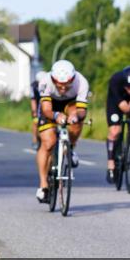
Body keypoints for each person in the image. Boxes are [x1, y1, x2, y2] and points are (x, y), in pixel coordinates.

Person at [34, 60, 89, 203]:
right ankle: (43, 185)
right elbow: (46, 110)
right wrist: (56, 116)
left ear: (73, 79)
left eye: (67, 84)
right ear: (53, 79)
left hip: (70, 103)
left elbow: (82, 110)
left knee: (76, 122)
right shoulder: (45, 81)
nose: (63, 88)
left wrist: (75, 116)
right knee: (48, 142)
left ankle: (71, 147)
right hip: (50, 105)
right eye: (60, 84)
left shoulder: (81, 82)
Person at [29, 70, 50, 149]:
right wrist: (34, 111)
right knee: (35, 121)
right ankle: (34, 140)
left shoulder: (49, 84)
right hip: (38, 104)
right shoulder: (34, 86)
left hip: (47, 102)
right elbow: (33, 100)